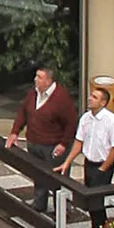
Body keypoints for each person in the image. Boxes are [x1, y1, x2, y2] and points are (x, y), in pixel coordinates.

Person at [10, 65, 77, 217]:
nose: (35, 79)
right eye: (36, 76)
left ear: (48, 81)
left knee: (59, 179)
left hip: (53, 145)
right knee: (38, 175)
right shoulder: (33, 93)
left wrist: (64, 143)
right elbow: (23, 112)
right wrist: (15, 132)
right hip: (34, 142)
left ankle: (63, 211)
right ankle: (39, 204)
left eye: (39, 77)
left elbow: (71, 123)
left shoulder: (61, 98)